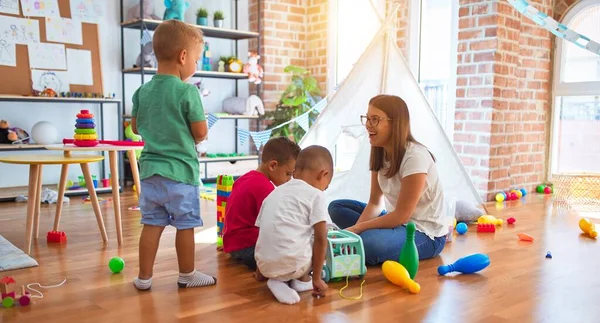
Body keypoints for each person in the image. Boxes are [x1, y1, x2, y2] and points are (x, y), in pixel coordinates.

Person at [130, 20, 216, 290]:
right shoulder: (187, 91)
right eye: (196, 59)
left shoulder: (142, 91)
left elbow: (135, 127)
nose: (196, 66)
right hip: (181, 174)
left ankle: (144, 278)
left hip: (151, 174)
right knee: (185, 225)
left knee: (151, 225)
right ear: (183, 56)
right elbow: (200, 132)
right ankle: (187, 275)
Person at [328, 94, 447, 265]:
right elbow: (375, 203)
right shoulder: (379, 152)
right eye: (367, 119)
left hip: (424, 233)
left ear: (395, 123)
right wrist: (354, 234)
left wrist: (358, 229)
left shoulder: (415, 157)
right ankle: (367, 239)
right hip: (396, 220)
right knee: (336, 207)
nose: (368, 125)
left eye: (375, 119)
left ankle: (370, 240)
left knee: (369, 244)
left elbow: (402, 216)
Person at [254, 145, 333, 305]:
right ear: (323, 174)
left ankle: (283, 278)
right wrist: (317, 279)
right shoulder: (316, 195)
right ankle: (298, 281)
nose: (325, 189)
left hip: (264, 264)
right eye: (327, 185)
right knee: (322, 236)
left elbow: (264, 232)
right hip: (293, 265)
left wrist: (260, 272)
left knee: (295, 231)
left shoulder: (274, 193)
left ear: (295, 171)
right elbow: (320, 239)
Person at [223, 136, 301, 280]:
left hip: (233, 244)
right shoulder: (264, 188)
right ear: (273, 166)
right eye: (288, 174)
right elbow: (277, 225)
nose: (289, 179)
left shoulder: (245, 178)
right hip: (248, 247)